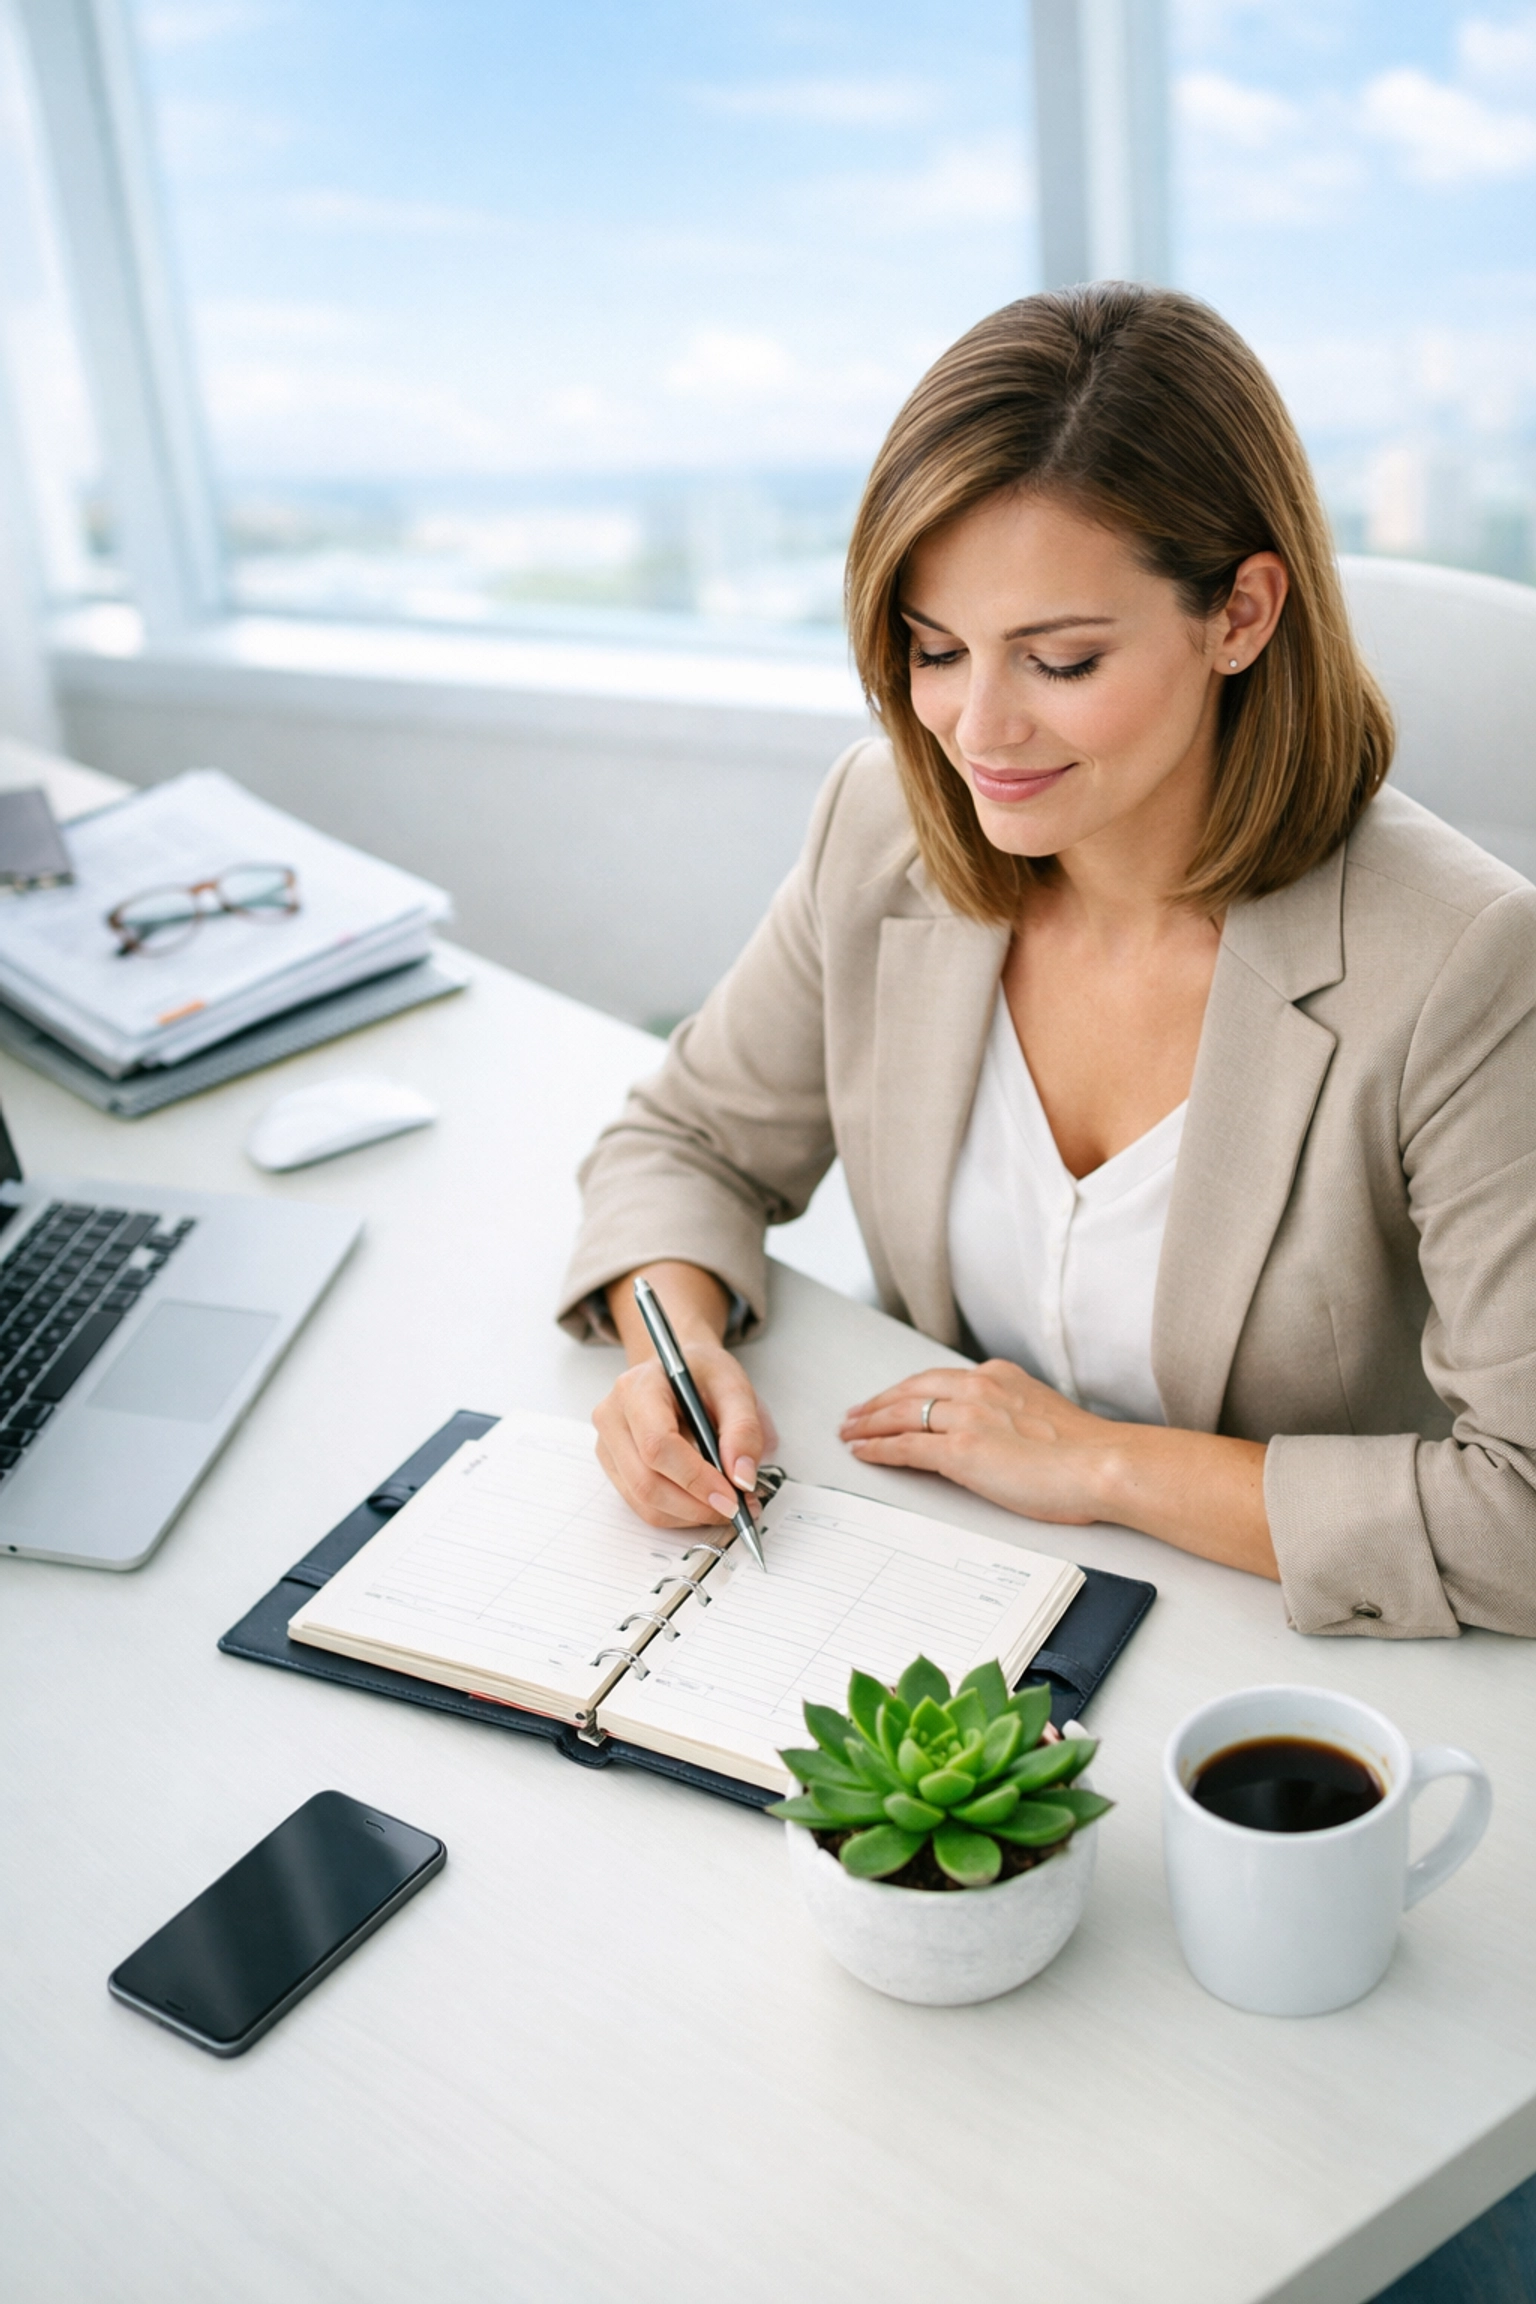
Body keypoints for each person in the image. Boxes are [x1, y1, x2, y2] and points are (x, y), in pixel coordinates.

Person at [558, 282, 1536, 1641]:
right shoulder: (883, 823)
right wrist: (675, 1340)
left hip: (1292, 1654)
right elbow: (692, 1141)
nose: (979, 729)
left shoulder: (1467, 964)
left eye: (1062, 660)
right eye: (935, 649)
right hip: (940, 1589)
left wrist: (1099, 1463)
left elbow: (1525, 1509)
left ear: (1243, 614)